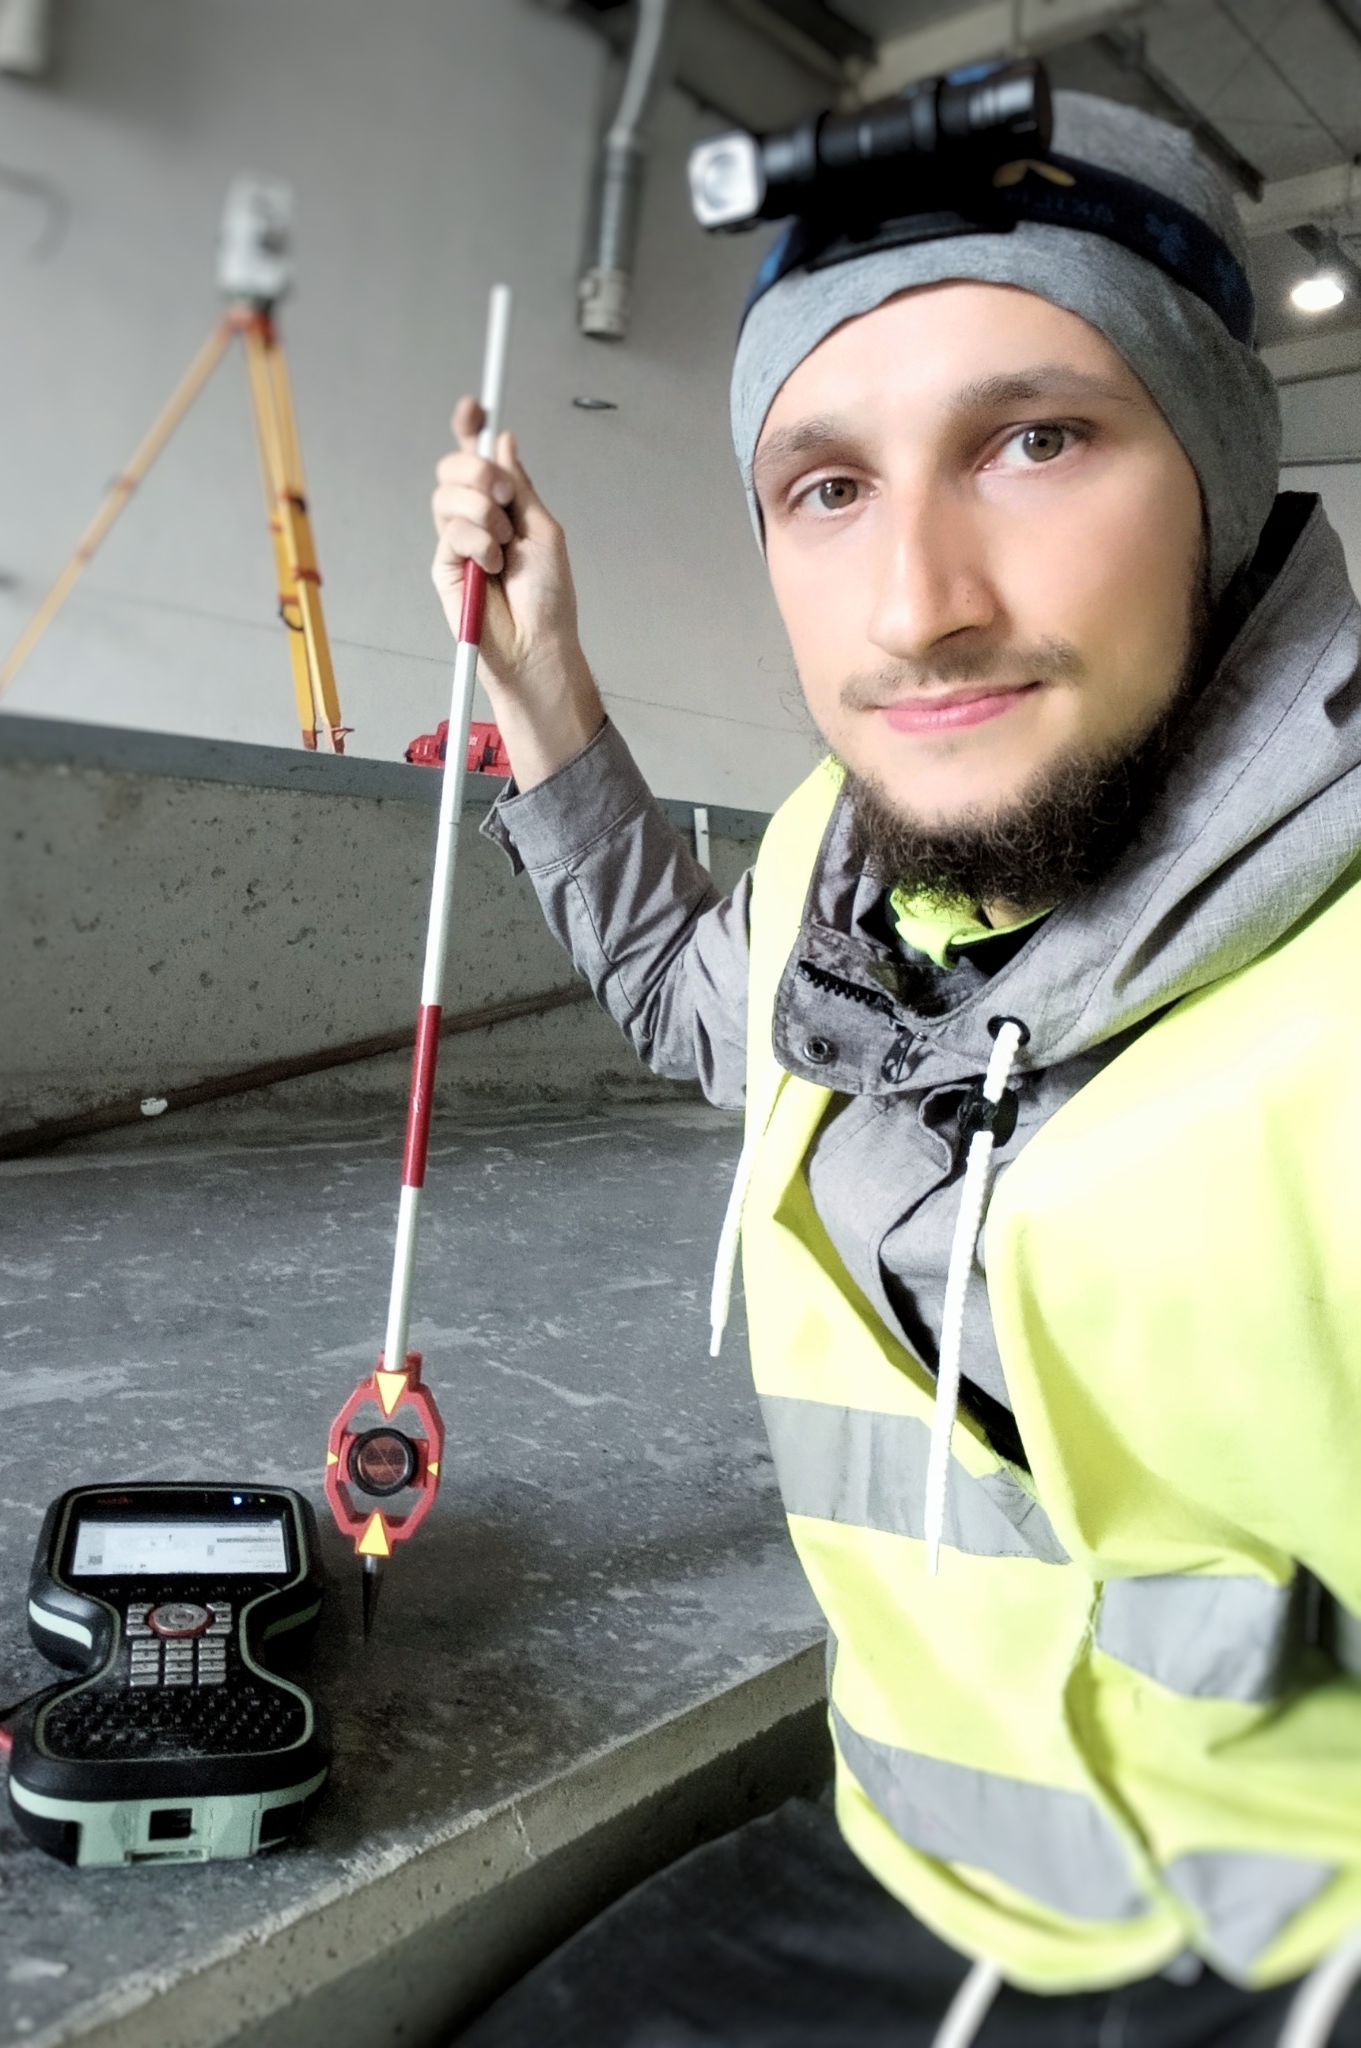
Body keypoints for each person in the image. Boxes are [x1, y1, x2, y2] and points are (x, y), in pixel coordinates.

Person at [431, 86, 1361, 2048]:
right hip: (931, 1869)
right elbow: (730, 1017)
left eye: (1036, 440)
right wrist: (540, 682)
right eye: (825, 484)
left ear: (1213, 473)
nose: (916, 601)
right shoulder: (840, 877)